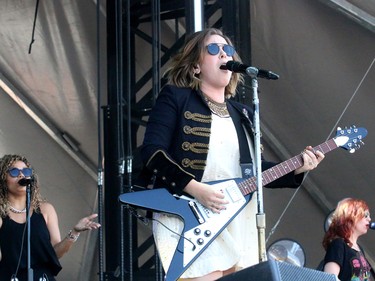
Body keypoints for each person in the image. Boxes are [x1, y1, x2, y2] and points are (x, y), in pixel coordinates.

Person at [139, 27, 325, 280]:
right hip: (190, 212)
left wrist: (299, 167)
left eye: (227, 50)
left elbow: (255, 171)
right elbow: (152, 153)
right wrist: (194, 188)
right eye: (213, 49)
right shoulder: (176, 97)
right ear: (195, 67)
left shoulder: (244, 113)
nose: (223, 55)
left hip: (239, 216)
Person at [0, 154, 101, 281]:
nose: (21, 175)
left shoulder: (45, 210)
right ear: (3, 178)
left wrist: (75, 232)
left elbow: (55, 254)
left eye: (26, 171)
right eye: (14, 171)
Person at [322, 198, 372, 281]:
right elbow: (330, 278)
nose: (369, 219)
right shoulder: (338, 245)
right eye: (365, 215)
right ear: (351, 216)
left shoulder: (360, 250)